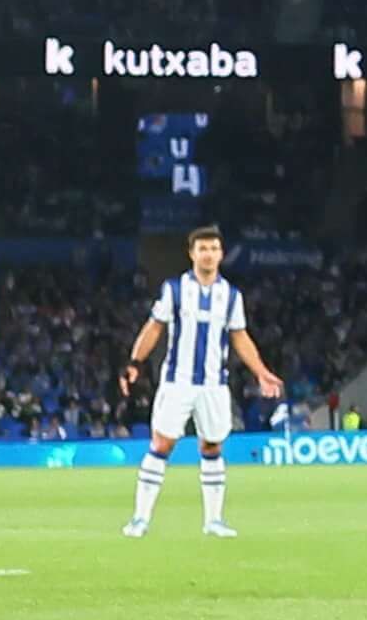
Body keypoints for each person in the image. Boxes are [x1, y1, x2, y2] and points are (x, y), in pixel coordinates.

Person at [119, 226, 285, 539]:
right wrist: (135, 362)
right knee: (162, 444)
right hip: (177, 381)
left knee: (212, 446)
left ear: (221, 254)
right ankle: (140, 519)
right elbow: (154, 327)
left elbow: (239, 337)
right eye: (203, 249)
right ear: (191, 253)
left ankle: (213, 521)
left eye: (213, 249)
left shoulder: (231, 296)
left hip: (214, 384)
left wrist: (261, 371)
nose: (208, 254)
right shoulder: (175, 289)